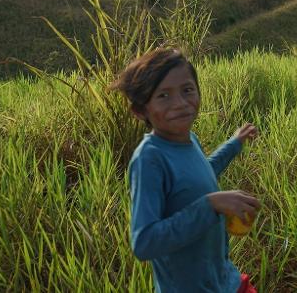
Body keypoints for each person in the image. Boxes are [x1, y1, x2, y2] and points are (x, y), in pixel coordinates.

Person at [111, 48, 260, 293]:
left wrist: (234, 144)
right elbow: (144, 243)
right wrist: (210, 205)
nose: (180, 103)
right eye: (163, 96)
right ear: (141, 110)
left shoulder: (189, 139)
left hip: (225, 282)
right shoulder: (149, 159)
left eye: (187, 90)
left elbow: (199, 176)